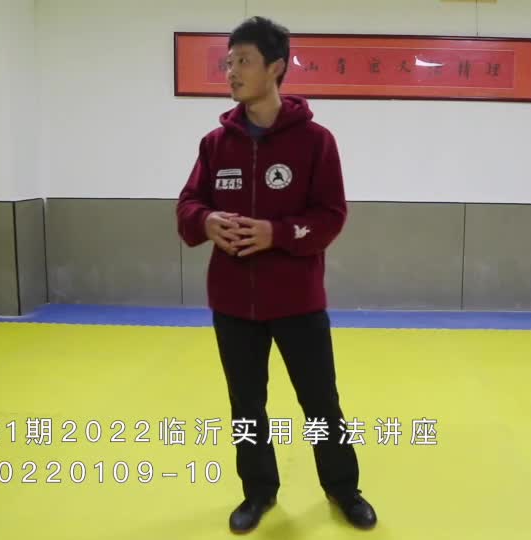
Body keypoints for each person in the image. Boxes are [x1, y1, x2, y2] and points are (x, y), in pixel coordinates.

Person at [175, 16, 377, 534]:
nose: (231, 71)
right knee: (246, 405)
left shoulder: (315, 142)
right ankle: (259, 492)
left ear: (276, 68)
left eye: (243, 61)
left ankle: (344, 489)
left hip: (298, 301)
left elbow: (331, 216)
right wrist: (206, 221)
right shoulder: (215, 144)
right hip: (232, 303)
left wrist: (278, 233)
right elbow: (188, 206)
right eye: (228, 62)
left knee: (321, 403)